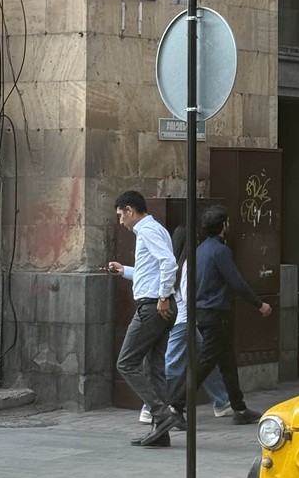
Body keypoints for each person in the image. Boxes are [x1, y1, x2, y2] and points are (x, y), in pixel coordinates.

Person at [176, 205, 269, 425]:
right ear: (224, 226)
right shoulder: (221, 251)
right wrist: (259, 304)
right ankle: (176, 404)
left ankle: (239, 407)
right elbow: (236, 281)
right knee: (206, 363)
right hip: (216, 313)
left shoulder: (200, 250)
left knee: (227, 361)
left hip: (203, 312)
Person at [108, 190, 180, 449]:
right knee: (154, 368)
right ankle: (161, 433)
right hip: (159, 305)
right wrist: (124, 270)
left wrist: (162, 296)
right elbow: (150, 270)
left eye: (120, 216)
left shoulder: (147, 231)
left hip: (153, 307)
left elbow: (168, 264)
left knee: (126, 363)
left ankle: (161, 415)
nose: (121, 222)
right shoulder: (155, 230)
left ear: (129, 210)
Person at [162, 227, 233, 422]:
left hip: (185, 320)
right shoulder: (186, 263)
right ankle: (156, 405)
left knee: (205, 362)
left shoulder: (172, 261)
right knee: (175, 363)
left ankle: (222, 401)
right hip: (186, 320)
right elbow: (187, 295)